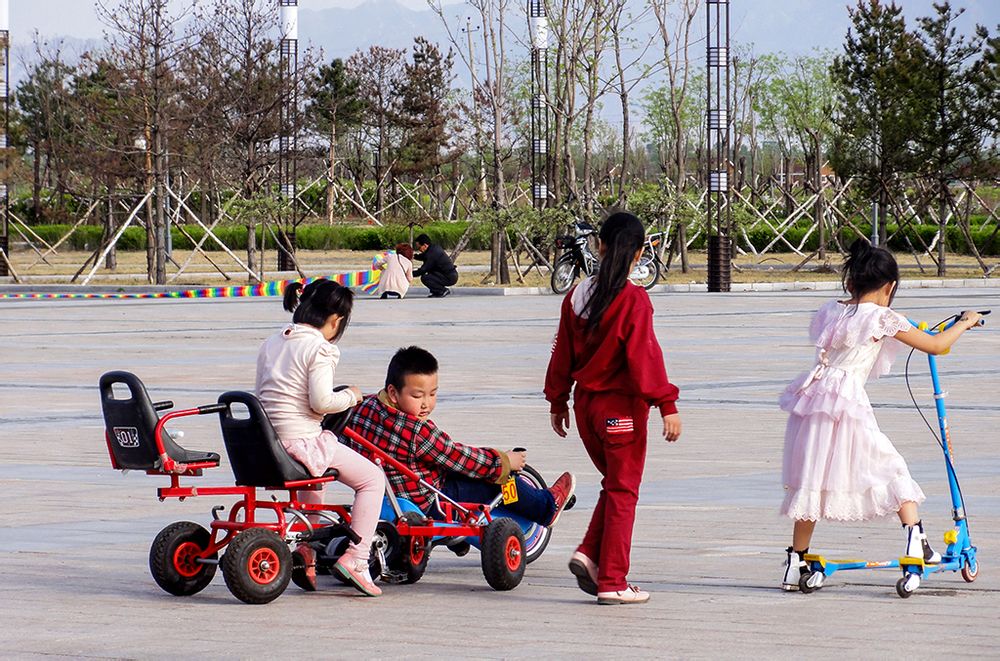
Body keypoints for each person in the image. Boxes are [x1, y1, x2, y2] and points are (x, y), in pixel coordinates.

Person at [779, 239, 983, 591]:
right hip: (845, 403)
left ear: (851, 283)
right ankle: (916, 539)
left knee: (811, 478)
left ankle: (796, 560)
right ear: (889, 287)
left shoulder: (831, 310)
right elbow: (936, 345)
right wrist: (966, 322)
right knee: (889, 464)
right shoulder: (883, 318)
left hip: (812, 399)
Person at [545, 211, 681, 606]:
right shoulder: (633, 299)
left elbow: (561, 353)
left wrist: (558, 400)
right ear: (639, 253)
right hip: (621, 410)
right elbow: (644, 357)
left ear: (599, 245)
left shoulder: (577, 295)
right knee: (624, 491)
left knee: (617, 485)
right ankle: (613, 580)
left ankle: (589, 554)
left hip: (586, 409)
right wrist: (666, 404)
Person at [345, 345, 576, 530]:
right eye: (417, 396)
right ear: (394, 393)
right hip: (429, 501)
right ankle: (546, 507)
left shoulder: (363, 407)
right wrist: (504, 461)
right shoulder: (417, 431)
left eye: (432, 394)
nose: (426, 404)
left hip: (385, 494)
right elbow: (458, 457)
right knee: (499, 482)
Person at [256, 278, 385, 597]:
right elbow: (322, 402)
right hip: (300, 441)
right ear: (336, 320)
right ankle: (357, 558)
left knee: (316, 479)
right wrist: (352, 396)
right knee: (372, 479)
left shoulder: (272, 342)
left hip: (268, 442)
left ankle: (307, 550)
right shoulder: (321, 348)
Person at [412, 233, 458, 298]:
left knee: (425, 278)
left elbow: (423, 270)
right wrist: (413, 256)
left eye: (419, 248)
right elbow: (424, 256)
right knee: (429, 274)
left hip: (449, 277)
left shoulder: (432, 253)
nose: (419, 250)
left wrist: (409, 274)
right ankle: (437, 292)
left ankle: (442, 290)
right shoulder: (433, 248)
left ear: (425, 245)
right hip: (447, 274)